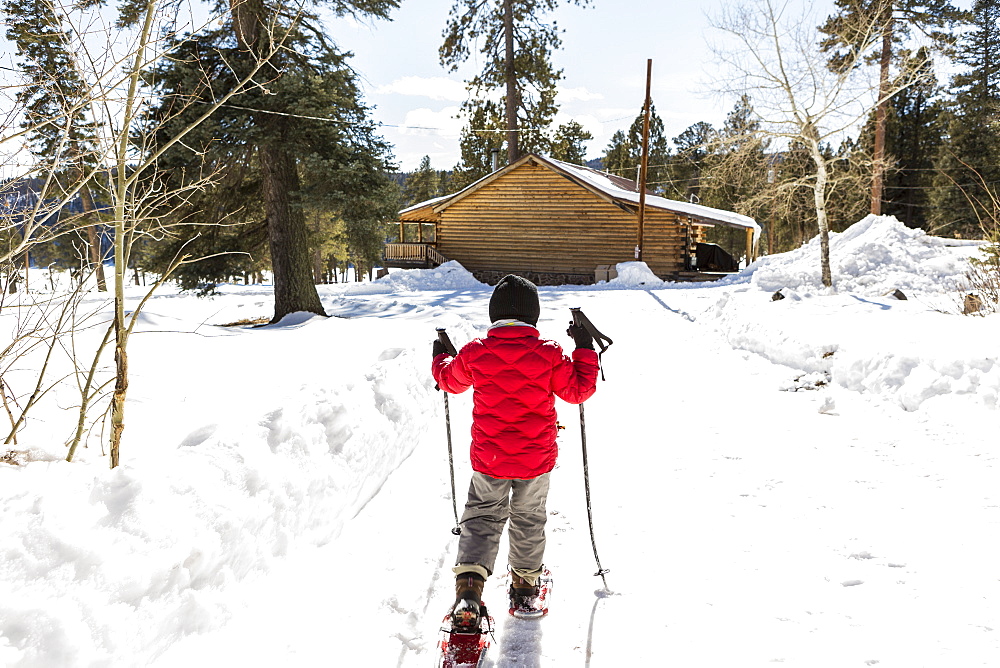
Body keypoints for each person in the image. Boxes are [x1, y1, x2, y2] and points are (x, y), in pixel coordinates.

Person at [431, 274, 599, 629]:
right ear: (533, 316)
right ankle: (524, 586)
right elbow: (578, 391)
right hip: (535, 460)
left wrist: (441, 358)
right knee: (528, 518)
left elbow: (450, 382)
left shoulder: (476, 351)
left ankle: (469, 590)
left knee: (481, 518)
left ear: (494, 315)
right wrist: (584, 349)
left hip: (489, 459)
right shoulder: (549, 353)